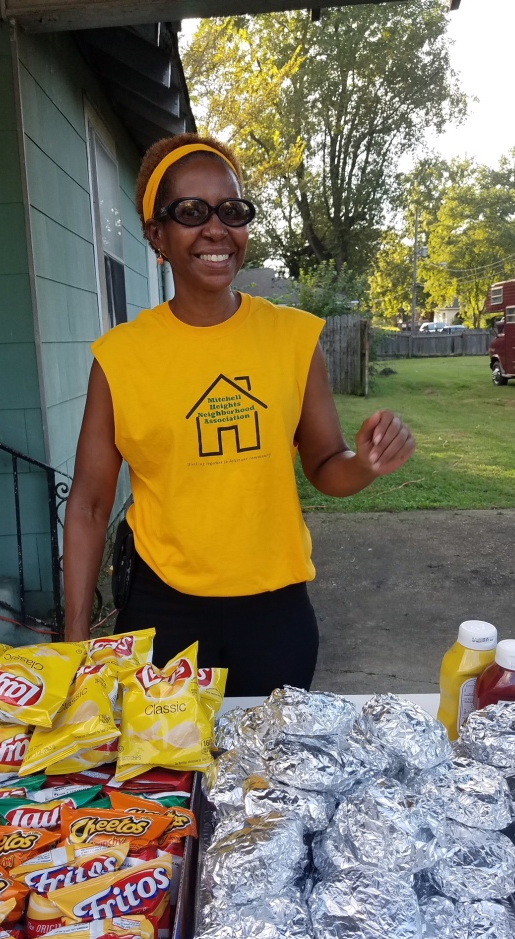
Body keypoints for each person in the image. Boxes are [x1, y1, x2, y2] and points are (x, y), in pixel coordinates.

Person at [63, 133, 415, 696]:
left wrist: (366, 462)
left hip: (275, 613)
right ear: (157, 234)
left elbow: (327, 463)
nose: (215, 228)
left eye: (232, 210)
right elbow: (88, 504)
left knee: (269, 774)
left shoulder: (295, 338)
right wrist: (76, 641)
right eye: (190, 211)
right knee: (167, 777)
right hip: (163, 613)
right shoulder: (120, 359)